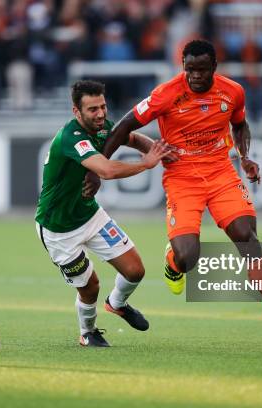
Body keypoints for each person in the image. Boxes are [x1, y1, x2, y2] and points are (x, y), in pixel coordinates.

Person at [91, 39, 262, 347]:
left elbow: (240, 125)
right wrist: (97, 168)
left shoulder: (232, 91)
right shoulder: (165, 94)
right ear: (183, 67)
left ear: (214, 68)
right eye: (190, 70)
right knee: (187, 257)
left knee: (248, 239)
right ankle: (173, 262)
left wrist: (245, 156)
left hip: (221, 172)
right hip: (182, 178)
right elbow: (122, 127)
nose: (195, 76)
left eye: (202, 70)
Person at [35, 80, 170, 347]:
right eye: (92, 109)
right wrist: (146, 164)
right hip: (58, 229)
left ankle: (117, 303)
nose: (100, 114)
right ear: (77, 112)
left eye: (103, 107)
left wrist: (157, 151)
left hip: (90, 216)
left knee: (135, 270)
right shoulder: (70, 138)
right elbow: (106, 170)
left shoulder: (103, 126)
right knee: (90, 286)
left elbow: (130, 137)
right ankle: (88, 332)